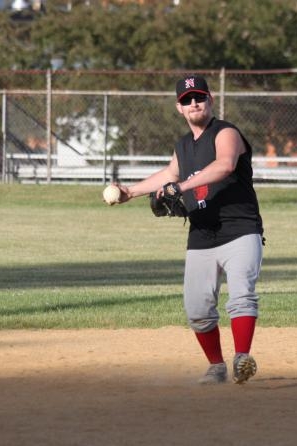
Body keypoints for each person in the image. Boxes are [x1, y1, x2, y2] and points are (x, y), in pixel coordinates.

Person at [112, 75, 264, 385]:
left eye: (198, 97)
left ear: (210, 100)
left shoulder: (226, 133)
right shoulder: (183, 145)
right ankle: (216, 366)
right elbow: (169, 173)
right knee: (197, 309)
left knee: (241, 296)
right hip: (202, 234)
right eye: (186, 100)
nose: (193, 103)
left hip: (240, 228)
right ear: (179, 108)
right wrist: (130, 191)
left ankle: (241, 358)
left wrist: (179, 187)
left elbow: (224, 165)